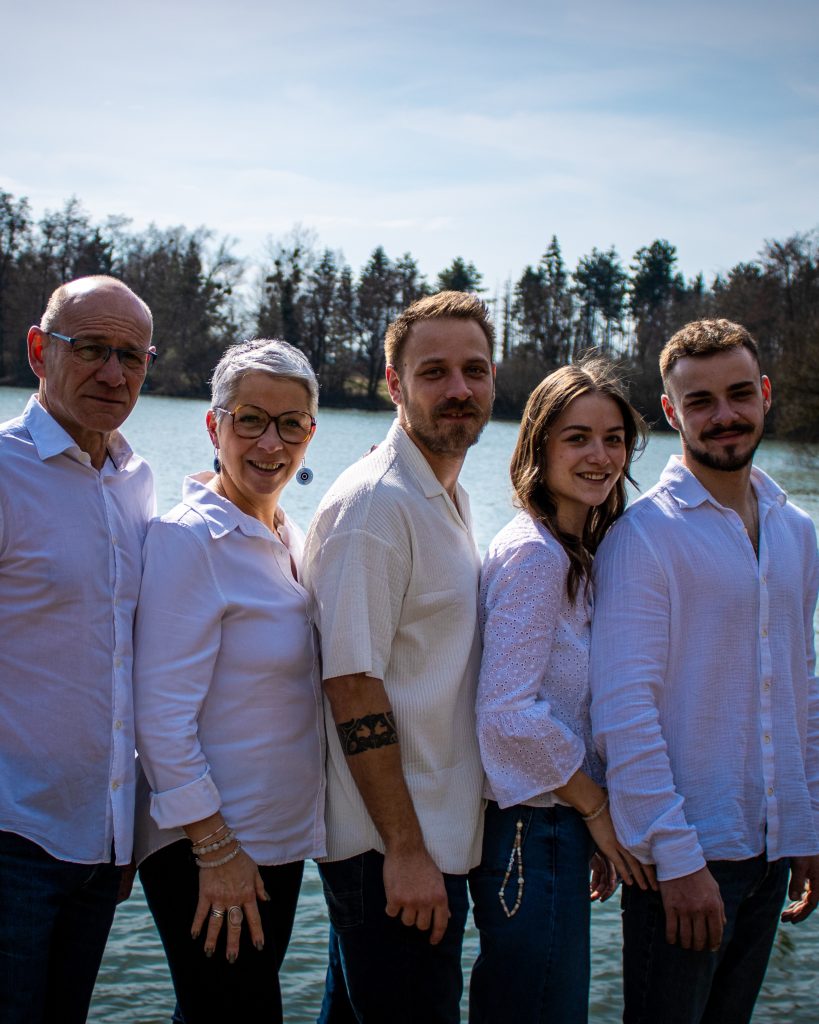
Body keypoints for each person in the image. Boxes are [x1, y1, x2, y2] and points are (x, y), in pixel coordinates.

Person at [590, 319, 819, 1024]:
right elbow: (622, 711)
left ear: (765, 394)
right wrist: (676, 859)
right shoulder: (642, 536)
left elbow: (798, 684)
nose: (723, 415)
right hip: (685, 860)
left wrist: (806, 826)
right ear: (670, 412)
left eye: (738, 394)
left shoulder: (797, 530)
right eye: (699, 402)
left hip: (771, 849)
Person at [301, 291, 495, 1024]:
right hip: (389, 853)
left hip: (420, 845)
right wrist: (406, 850)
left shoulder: (443, 496)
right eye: (433, 372)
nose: (457, 390)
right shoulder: (375, 506)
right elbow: (351, 687)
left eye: (472, 370)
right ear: (393, 383)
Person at [132, 339, 326, 1024]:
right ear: (215, 426)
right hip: (207, 846)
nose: (270, 442)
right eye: (250, 419)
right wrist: (215, 849)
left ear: (310, 431)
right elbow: (157, 718)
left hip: (271, 841)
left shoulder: (287, 534)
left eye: (290, 423)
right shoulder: (191, 539)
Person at [469, 358, 655, 1024]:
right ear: (538, 446)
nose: (600, 455)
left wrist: (587, 823)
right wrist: (599, 813)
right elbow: (506, 714)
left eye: (613, 439)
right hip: (530, 828)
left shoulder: (577, 553)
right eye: (577, 437)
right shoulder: (535, 555)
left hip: (555, 823)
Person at [0, 276, 156, 1024]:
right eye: (91, 349)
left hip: (101, 847)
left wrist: (123, 826)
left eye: (131, 356)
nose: (113, 374)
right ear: (39, 349)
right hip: (11, 838)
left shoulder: (137, 481)